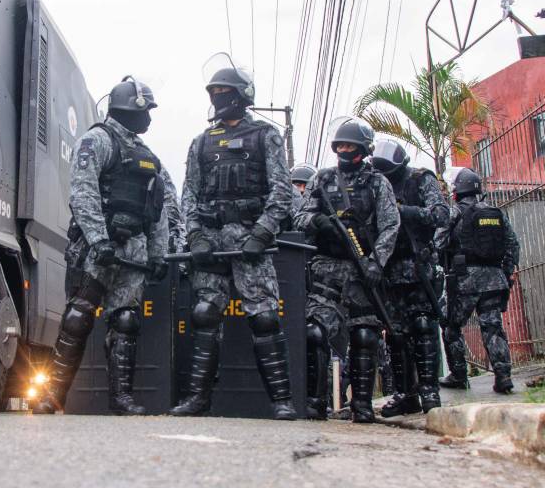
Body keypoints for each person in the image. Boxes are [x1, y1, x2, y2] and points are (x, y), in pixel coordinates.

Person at [32, 77, 169, 415]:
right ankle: (52, 395)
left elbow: (158, 210)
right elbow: (83, 192)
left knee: (126, 321)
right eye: (145, 110)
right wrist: (98, 239)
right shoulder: (97, 140)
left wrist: (157, 253)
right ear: (128, 108)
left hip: (133, 252)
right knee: (78, 317)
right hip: (99, 249)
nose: (148, 117)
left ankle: (121, 399)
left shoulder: (148, 156)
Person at [170, 65, 296, 420]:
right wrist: (194, 235)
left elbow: (281, 192)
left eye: (224, 92)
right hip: (211, 240)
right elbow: (189, 194)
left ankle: (282, 401)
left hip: (250, 240)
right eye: (214, 93)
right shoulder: (201, 142)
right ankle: (197, 399)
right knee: (204, 314)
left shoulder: (266, 136)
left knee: (265, 319)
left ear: (242, 96)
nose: (218, 98)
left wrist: (262, 232)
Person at [295, 118, 400, 422]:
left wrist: (376, 262)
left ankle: (362, 405)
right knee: (314, 333)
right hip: (326, 270)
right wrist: (318, 222)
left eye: (350, 146)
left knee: (365, 336)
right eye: (340, 145)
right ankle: (316, 402)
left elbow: (390, 225)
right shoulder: (323, 180)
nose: (344, 150)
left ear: (363, 149)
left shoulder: (378, 183)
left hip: (362, 271)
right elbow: (300, 216)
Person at [370, 140, 449, 417]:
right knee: (395, 334)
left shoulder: (420, 179)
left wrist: (403, 212)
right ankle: (405, 393)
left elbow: (441, 214)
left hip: (418, 267)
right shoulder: (375, 184)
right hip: (388, 270)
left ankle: (429, 389)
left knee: (423, 327)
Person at [440, 168, 519, 394]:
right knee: (492, 327)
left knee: (450, 325)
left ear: (457, 190)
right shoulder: (496, 212)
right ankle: (503, 376)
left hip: (465, 280)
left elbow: (438, 241)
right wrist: (504, 272)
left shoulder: (455, 212)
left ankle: (458, 374)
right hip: (495, 280)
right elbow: (513, 245)